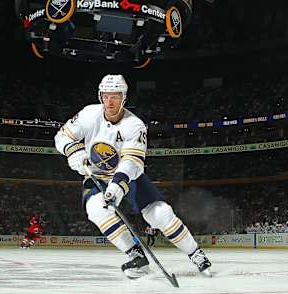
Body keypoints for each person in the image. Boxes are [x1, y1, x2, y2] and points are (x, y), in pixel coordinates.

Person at [54, 74, 211, 279]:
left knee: (159, 214)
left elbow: (132, 162)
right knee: (96, 210)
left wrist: (118, 185)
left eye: (116, 96)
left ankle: (196, 253)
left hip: (129, 177)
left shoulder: (135, 125)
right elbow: (62, 136)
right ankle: (136, 255)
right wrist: (72, 150)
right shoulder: (89, 114)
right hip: (98, 176)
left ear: (124, 98)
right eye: (106, 96)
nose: (110, 102)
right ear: (100, 96)